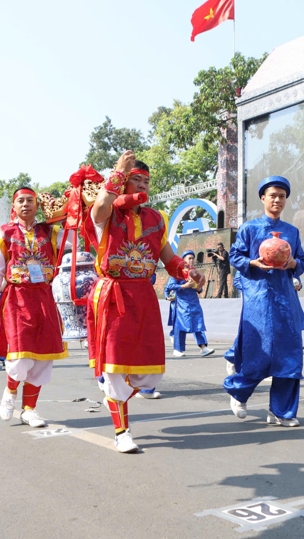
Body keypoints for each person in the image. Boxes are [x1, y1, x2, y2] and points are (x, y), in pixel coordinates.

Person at [81, 151, 205, 453]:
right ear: (123, 183)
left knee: (150, 371)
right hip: (114, 294)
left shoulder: (155, 219)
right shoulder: (108, 214)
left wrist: (188, 270)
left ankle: (114, 392)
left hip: (144, 297)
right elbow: (98, 209)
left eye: (146, 182)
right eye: (135, 180)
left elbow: (169, 258)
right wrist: (118, 174)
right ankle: (122, 431)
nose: (142, 187)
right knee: (114, 369)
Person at [225, 175, 304, 427]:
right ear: (263, 198)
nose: (277, 200)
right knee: (259, 352)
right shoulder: (250, 229)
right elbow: (235, 255)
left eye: (282, 196)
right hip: (258, 297)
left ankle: (281, 411)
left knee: (289, 354)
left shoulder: (292, 232)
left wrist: (294, 263)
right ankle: (238, 391)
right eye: (272, 195)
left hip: (285, 298)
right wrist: (252, 262)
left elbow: (301, 262)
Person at [0, 186, 69, 428]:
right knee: (20, 354)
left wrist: (66, 212)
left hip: (45, 296)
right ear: (13, 206)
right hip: (17, 298)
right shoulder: (4, 233)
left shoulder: (51, 231)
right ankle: (10, 392)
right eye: (21, 201)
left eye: (30, 201)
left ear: (38, 205)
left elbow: (74, 241)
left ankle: (29, 410)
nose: (26, 205)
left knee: (43, 357)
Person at [165, 250, 215, 359]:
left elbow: (200, 289)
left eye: (193, 258)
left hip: (194, 303)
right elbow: (170, 286)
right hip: (182, 304)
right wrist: (184, 286)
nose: (191, 260)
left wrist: (197, 287)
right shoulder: (177, 273)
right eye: (189, 258)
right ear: (184, 260)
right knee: (180, 326)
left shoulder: (195, 273)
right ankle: (178, 349)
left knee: (199, 324)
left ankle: (203, 347)